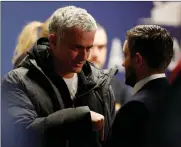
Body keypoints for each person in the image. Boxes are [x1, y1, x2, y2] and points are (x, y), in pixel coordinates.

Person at [1, 6, 117, 147]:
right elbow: (21, 135)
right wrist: (79, 118)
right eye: (76, 48)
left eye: (88, 48)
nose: (84, 56)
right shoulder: (17, 81)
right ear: (53, 41)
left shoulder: (101, 84)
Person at [107, 25, 174, 147]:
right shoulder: (175, 100)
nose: (123, 63)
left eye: (125, 55)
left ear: (138, 60)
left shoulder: (134, 109)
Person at [87, 23, 131, 110]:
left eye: (100, 47)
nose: (95, 54)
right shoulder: (70, 85)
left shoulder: (120, 89)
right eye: (90, 47)